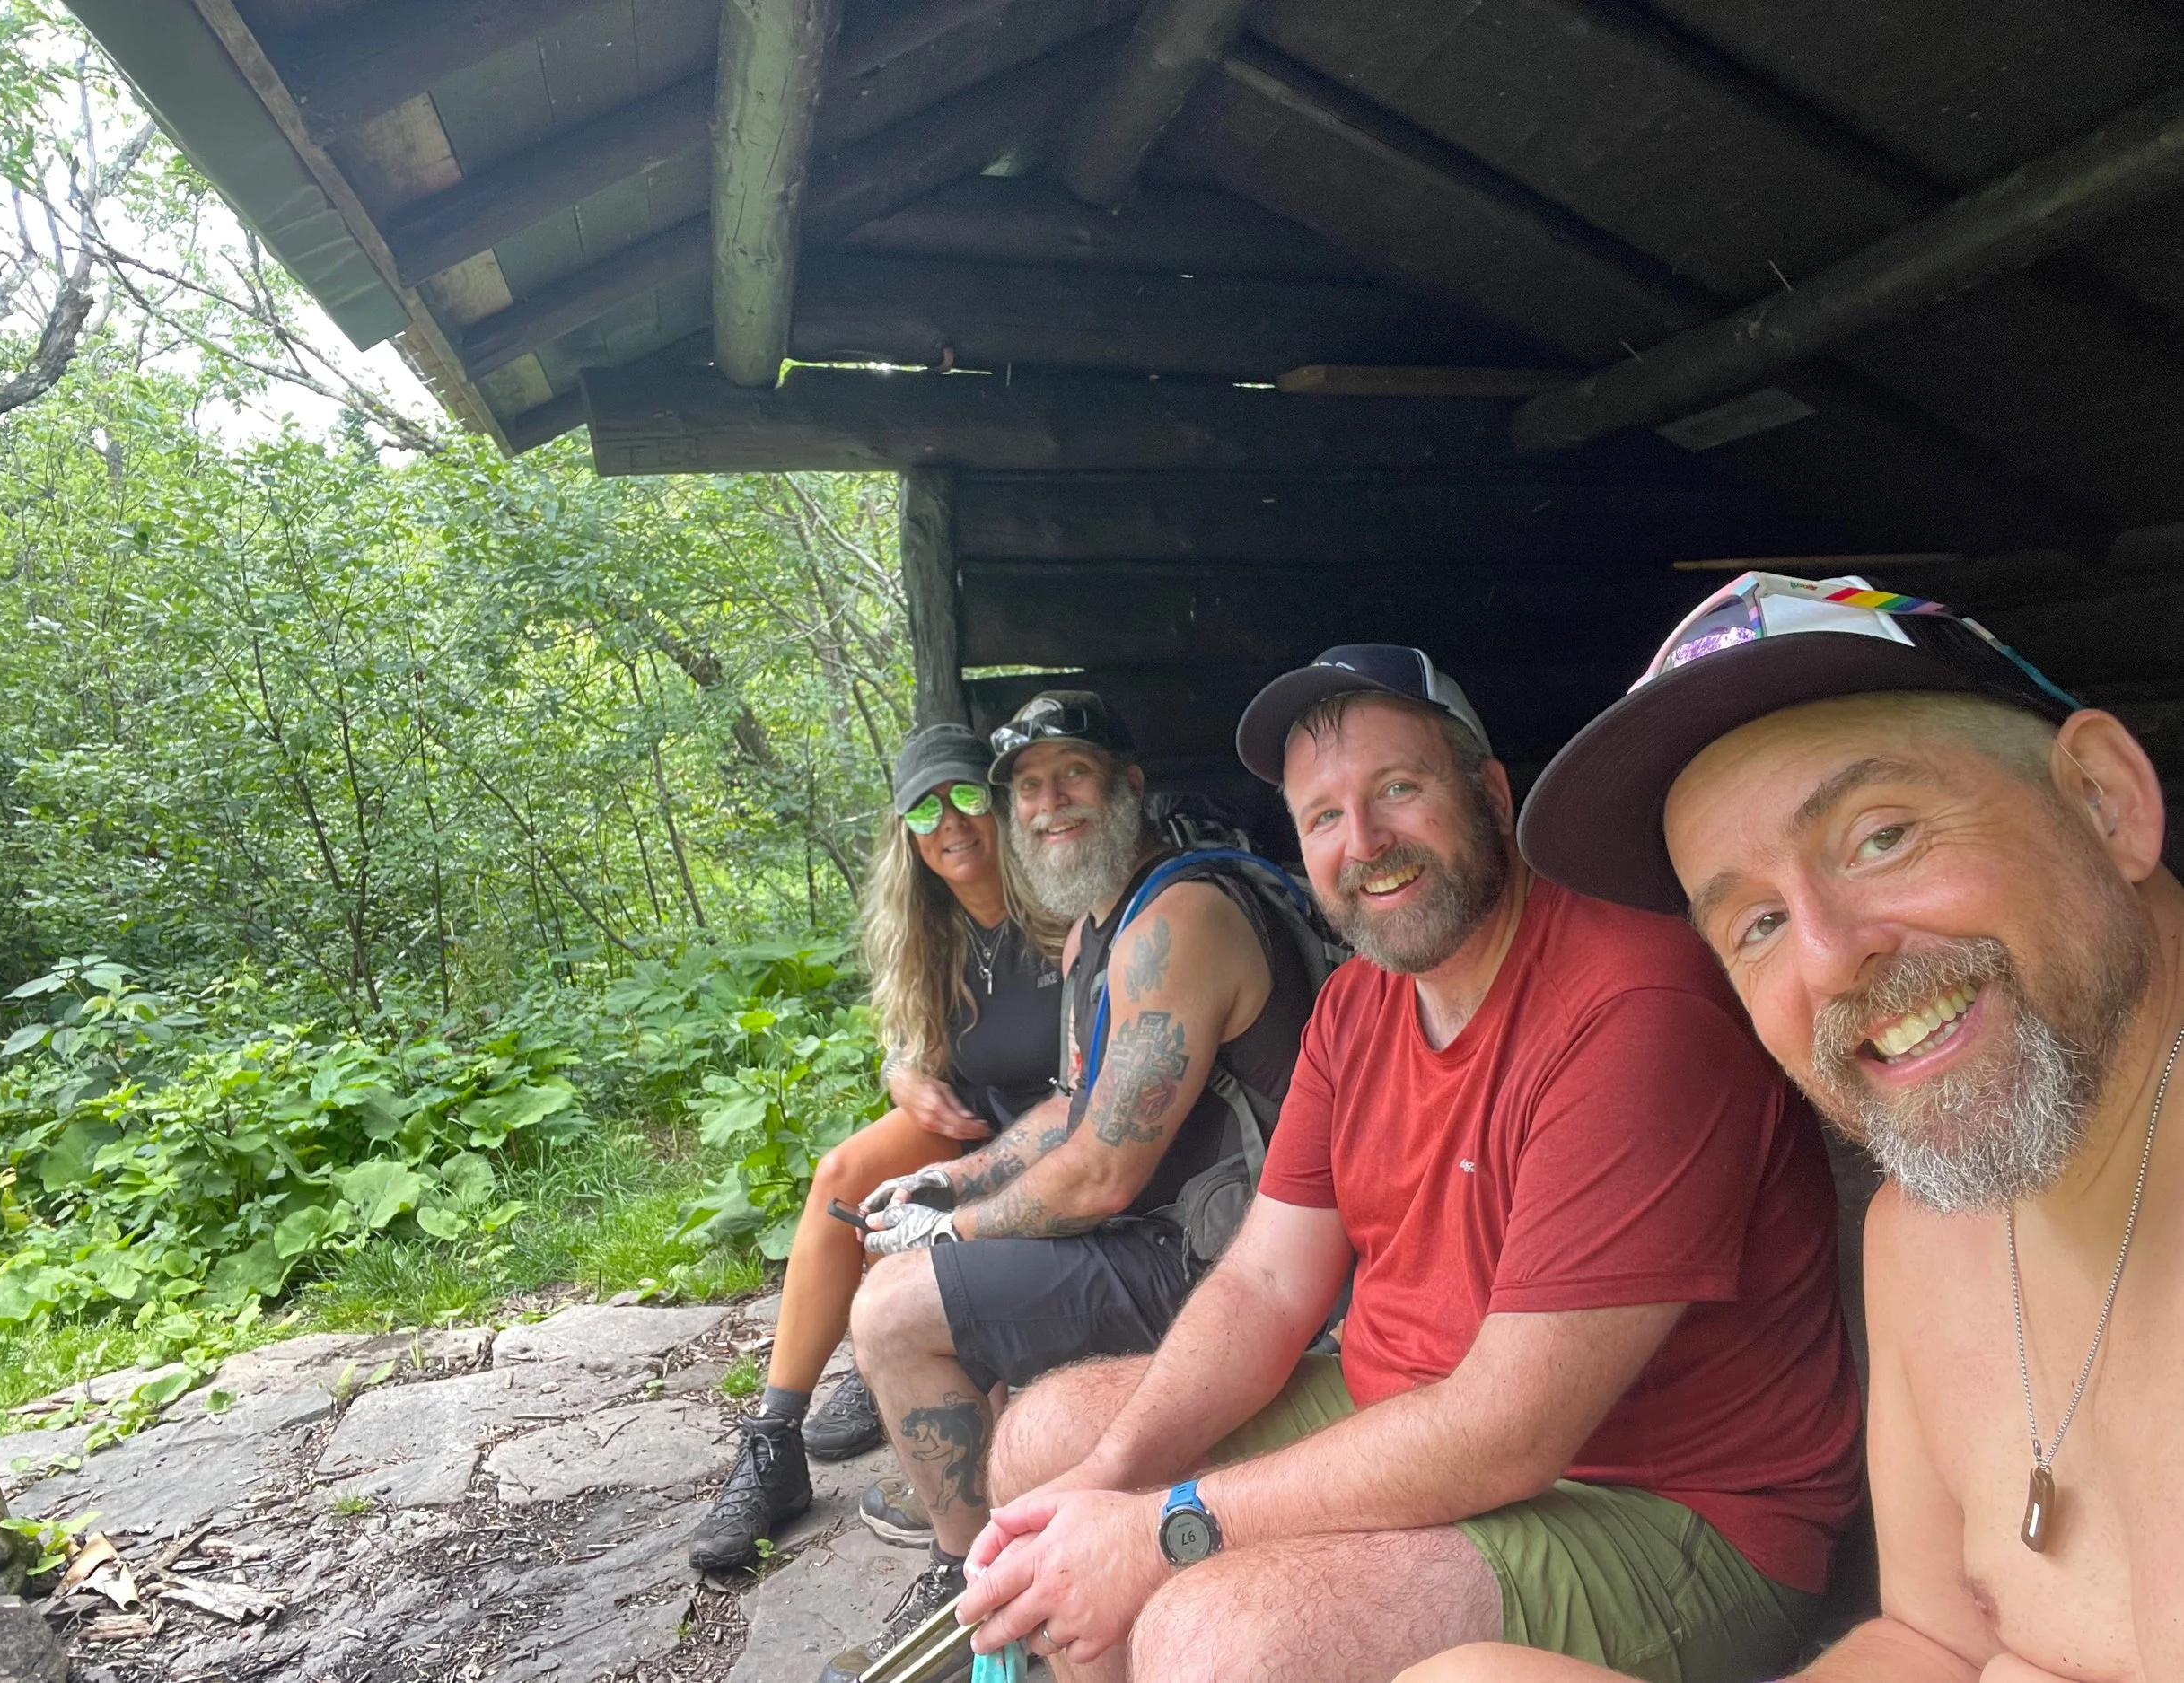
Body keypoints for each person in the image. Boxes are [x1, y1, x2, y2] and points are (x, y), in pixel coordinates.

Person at [955, 646, 1864, 1683]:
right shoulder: (1357, 1004)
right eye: (1324, 817)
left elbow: (1509, 1428)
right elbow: (1262, 1283)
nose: (1366, 842)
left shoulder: (1634, 1006)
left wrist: (1165, 1526)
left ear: (1487, 792)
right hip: (1406, 1402)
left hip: (1669, 1512)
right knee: (1048, 1447)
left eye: (1397, 789)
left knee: (1215, 1637)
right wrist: (1112, 1484)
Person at [1460, 572, 2184, 1683]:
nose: (1827, 956)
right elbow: (1935, 1641)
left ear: (2104, 800)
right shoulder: (1921, 1235)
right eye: (1753, 923)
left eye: (1880, 836)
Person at [821, 690, 1320, 1682]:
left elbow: (1100, 1172)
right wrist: (946, 1178)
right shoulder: (1101, 922)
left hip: (1241, 1258)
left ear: (1128, 786)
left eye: (1074, 776)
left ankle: (968, 1589)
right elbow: (1070, 1106)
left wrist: (952, 1234)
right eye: (1028, 788)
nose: (1049, 803)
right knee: (913, 1283)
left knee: (890, 1315)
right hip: (1176, 1233)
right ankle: (994, 1582)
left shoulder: (1177, 920)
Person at [687, 723, 1064, 1573]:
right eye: (925, 809)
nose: (951, 823)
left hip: (1056, 1134)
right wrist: (902, 1071)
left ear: (1000, 804)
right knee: (841, 1179)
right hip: (975, 1117)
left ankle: (895, 1364)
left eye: (967, 795)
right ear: (906, 833)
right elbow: (909, 1038)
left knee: (933, 1229)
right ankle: (773, 1445)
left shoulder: (1059, 905)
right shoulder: (928, 924)